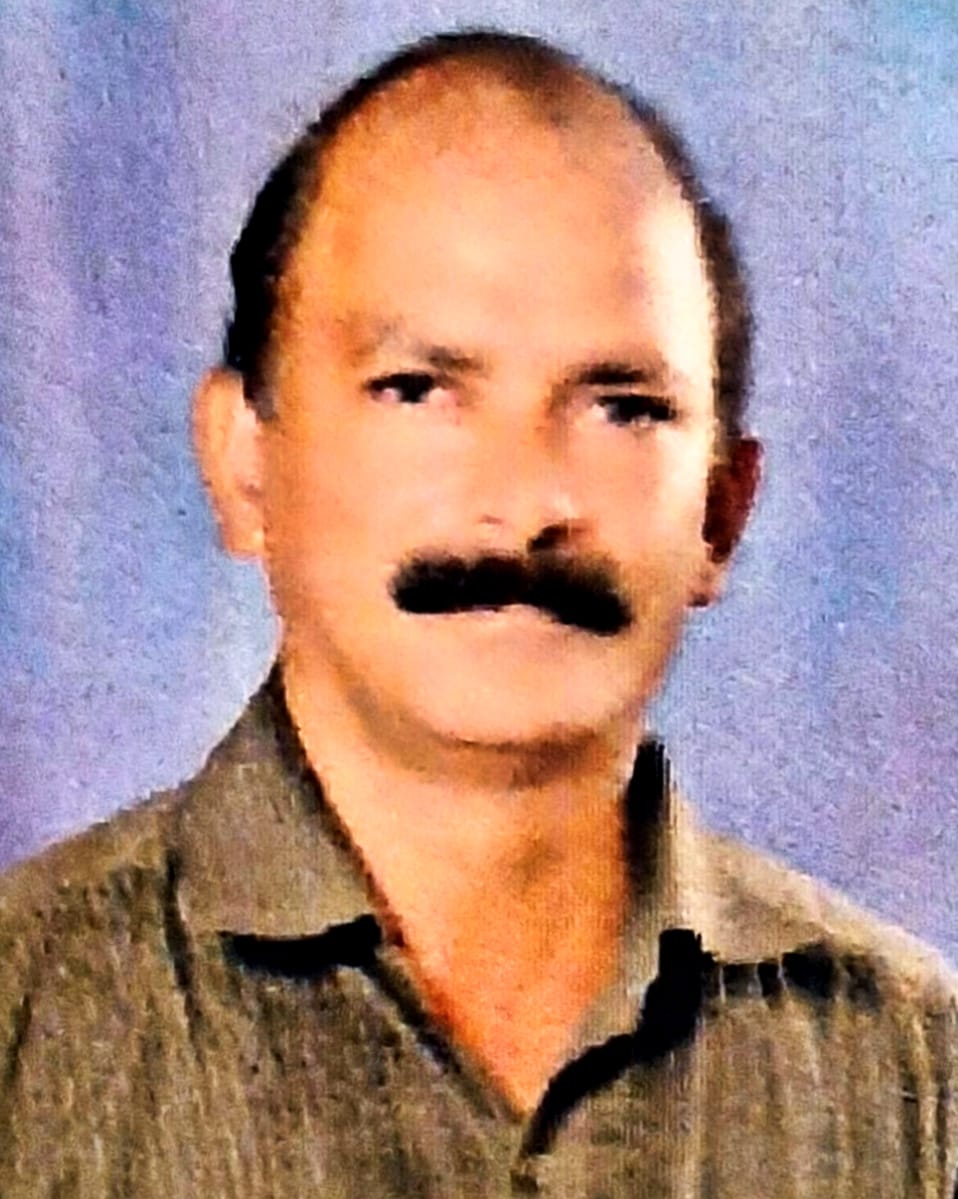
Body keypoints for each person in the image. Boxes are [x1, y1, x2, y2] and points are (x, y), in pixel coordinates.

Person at [0, 29, 955, 1198]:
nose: (524, 505)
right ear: (245, 465)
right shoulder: (22, 1019)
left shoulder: (918, 1076)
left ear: (721, 509)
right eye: (419, 390)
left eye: (622, 406)